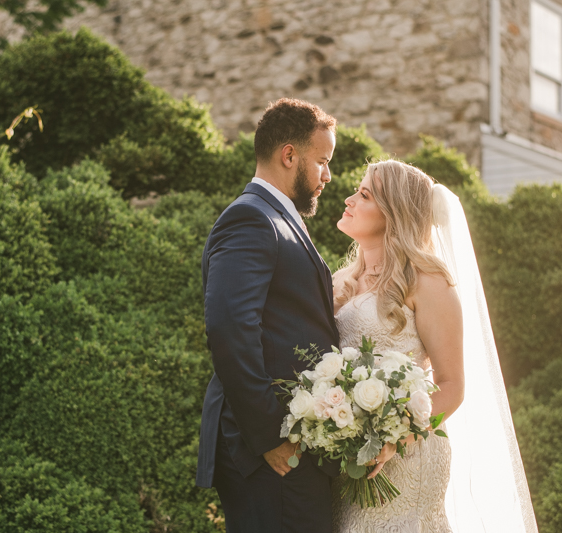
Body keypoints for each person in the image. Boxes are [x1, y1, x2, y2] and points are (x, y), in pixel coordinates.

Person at [330, 161, 538, 532]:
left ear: (394, 212)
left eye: (364, 195)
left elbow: (453, 385)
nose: (348, 199)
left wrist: (394, 437)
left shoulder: (428, 282)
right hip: (347, 457)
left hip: (407, 458)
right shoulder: (341, 281)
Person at [195, 98, 341, 532]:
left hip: (290, 447)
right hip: (267, 451)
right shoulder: (251, 218)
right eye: (322, 161)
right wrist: (269, 437)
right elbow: (229, 327)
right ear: (289, 155)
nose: (327, 175)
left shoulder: (279, 217)